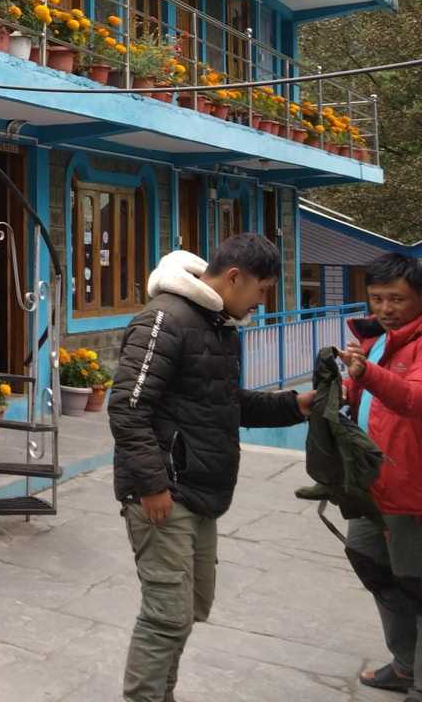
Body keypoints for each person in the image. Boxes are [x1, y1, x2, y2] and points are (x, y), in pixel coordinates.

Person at [108, 235, 316, 702]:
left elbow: (223, 402)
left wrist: (294, 406)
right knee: (166, 616)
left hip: (200, 491)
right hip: (165, 494)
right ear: (235, 277)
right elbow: (127, 408)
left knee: (189, 609)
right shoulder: (164, 319)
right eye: (262, 290)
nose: (262, 303)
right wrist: (152, 485)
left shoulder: (216, 324)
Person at [341, 253, 422, 698]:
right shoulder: (377, 341)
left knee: (416, 583)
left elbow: (412, 398)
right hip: (373, 488)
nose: (386, 309)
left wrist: (367, 373)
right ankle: (406, 664)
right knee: (371, 565)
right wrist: (347, 385)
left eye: (397, 299)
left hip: (412, 492)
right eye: (377, 298)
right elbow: (365, 399)